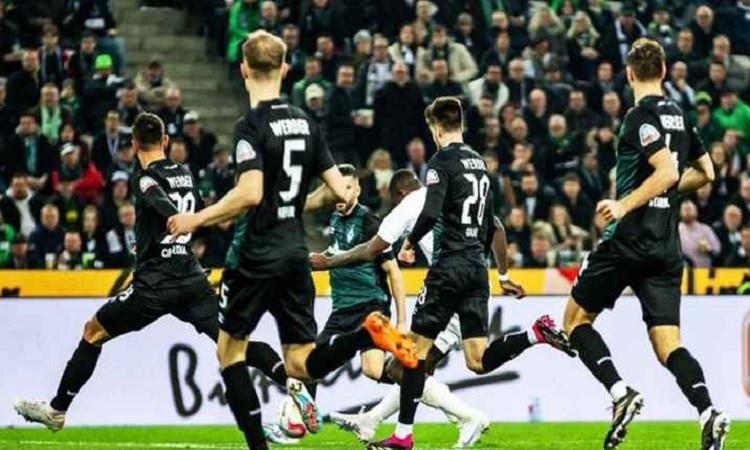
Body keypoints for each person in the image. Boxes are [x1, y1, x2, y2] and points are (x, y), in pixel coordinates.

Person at [166, 31, 414, 450]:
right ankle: (365, 334)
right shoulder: (305, 122)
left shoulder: (250, 126)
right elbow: (339, 189)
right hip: (296, 256)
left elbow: (250, 193)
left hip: (254, 256)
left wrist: (197, 219)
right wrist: (300, 202)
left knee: (230, 354)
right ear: (284, 69)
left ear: (243, 69)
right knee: (300, 363)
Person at [14, 113, 290, 442]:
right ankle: (294, 383)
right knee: (233, 345)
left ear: (133, 145)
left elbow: (155, 196)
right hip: (191, 280)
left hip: (154, 287)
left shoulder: (144, 177)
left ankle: (57, 410)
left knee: (93, 332)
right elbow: (186, 214)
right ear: (165, 141)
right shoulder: (185, 173)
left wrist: (173, 217)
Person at [355, 97, 573, 449]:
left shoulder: (441, 162)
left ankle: (403, 435)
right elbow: (492, 223)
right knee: (478, 359)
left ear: (436, 127)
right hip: (476, 269)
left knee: (413, 354)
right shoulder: (479, 164)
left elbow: (430, 212)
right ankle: (534, 334)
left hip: (449, 267)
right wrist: (502, 275)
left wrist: (410, 241)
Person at [562, 38, 729, 450]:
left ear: (629, 73)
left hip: (628, 240)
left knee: (574, 322)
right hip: (665, 247)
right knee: (668, 344)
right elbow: (706, 172)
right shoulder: (680, 117)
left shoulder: (639, 117)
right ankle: (708, 411)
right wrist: (665, 194)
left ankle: (620, 392)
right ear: (666, 70)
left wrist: (624, 204)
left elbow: (667, 171)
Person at [306, 164, 407, 397]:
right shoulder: (334, 218)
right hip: (342, 308)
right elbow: (336, 253)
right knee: (312, 364)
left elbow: (393, 270)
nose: (341, 194)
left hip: (370, 305)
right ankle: (303, 415)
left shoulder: (369, 220)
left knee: (372, 369)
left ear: (358, 190)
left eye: (348, 188)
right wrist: (314, 260)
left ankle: (420, 385)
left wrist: (402, 321)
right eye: (337, 188)